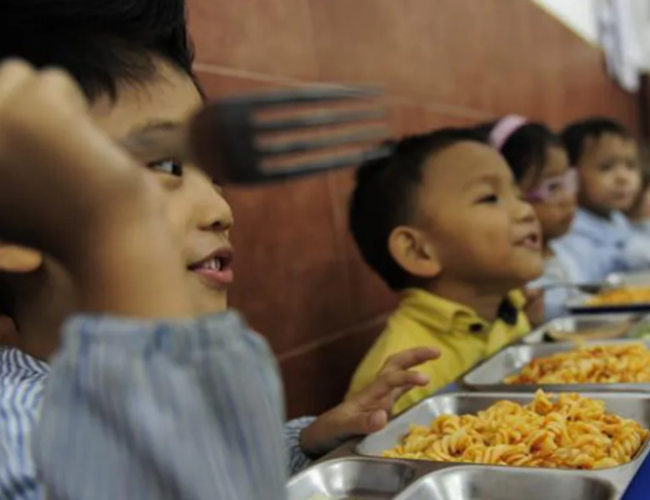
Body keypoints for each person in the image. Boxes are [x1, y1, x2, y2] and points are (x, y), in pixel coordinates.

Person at [0, 1, 438, 497]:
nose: (221, 210)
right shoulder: (19, 434)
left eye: (217, 177)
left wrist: (310, 439)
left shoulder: (164, 393)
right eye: (165, 167)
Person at [346, 128, 544, 413]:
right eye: (489, 197)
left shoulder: (509, 309)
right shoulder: (400, 378)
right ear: (418, 251)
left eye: (517, 194)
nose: (526, 210)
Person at [474, 116, 579, 321]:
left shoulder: (560, 251)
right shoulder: (512, 279)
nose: (569, 198)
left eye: (569, 180)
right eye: (552, 187)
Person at [554, 118, 650, 283]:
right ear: (570, 177)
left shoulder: (615, 217)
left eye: (631, 166)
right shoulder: (570, 229)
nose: (623, 177)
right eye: (606, 167)